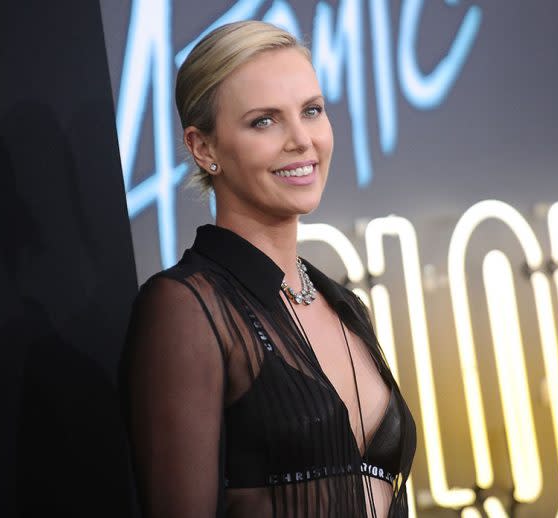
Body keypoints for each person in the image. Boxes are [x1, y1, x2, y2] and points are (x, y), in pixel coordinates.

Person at [122, 20, 416, 518]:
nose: (302, 140)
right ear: (204, 148)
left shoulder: (344, 307)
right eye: (265, 121)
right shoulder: (186, 309)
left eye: (312, 111)